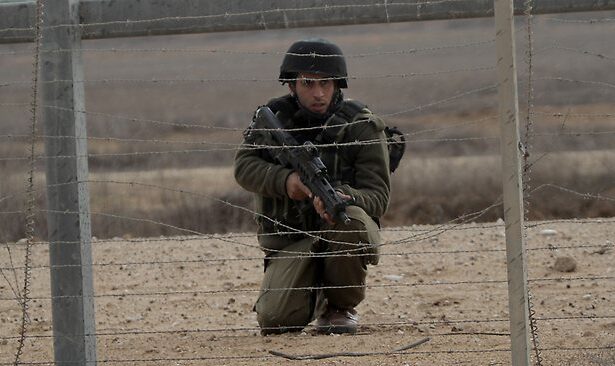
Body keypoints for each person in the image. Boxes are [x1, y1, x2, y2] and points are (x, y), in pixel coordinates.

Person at [234, 38, 390, 335]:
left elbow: (378, 196)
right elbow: (244, 167)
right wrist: (287, 181)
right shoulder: (273, 120)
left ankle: (340, 306)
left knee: (351, 220)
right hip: (292, 242)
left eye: (326, 83)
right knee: (276, 321)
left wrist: (344, 197)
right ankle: (313, 295)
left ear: (338, 84)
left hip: (341, 231)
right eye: (308, 83)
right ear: (291, 85)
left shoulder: (362, 126)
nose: (318, 93)